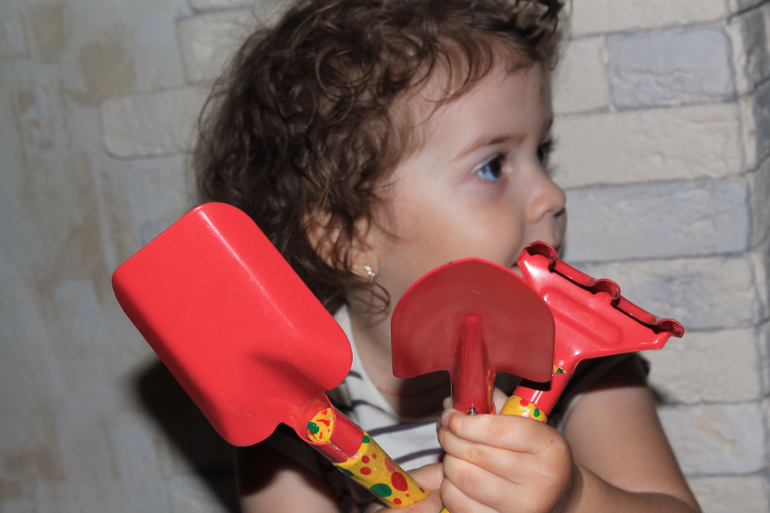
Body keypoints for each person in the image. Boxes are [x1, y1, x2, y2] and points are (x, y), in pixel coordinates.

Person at [194, 0, 701, 511]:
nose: (552, 194)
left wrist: (573, 498)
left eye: (541, 152)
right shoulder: (294, 399)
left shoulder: (577, 361)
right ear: (346, 236)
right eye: (492, 166)